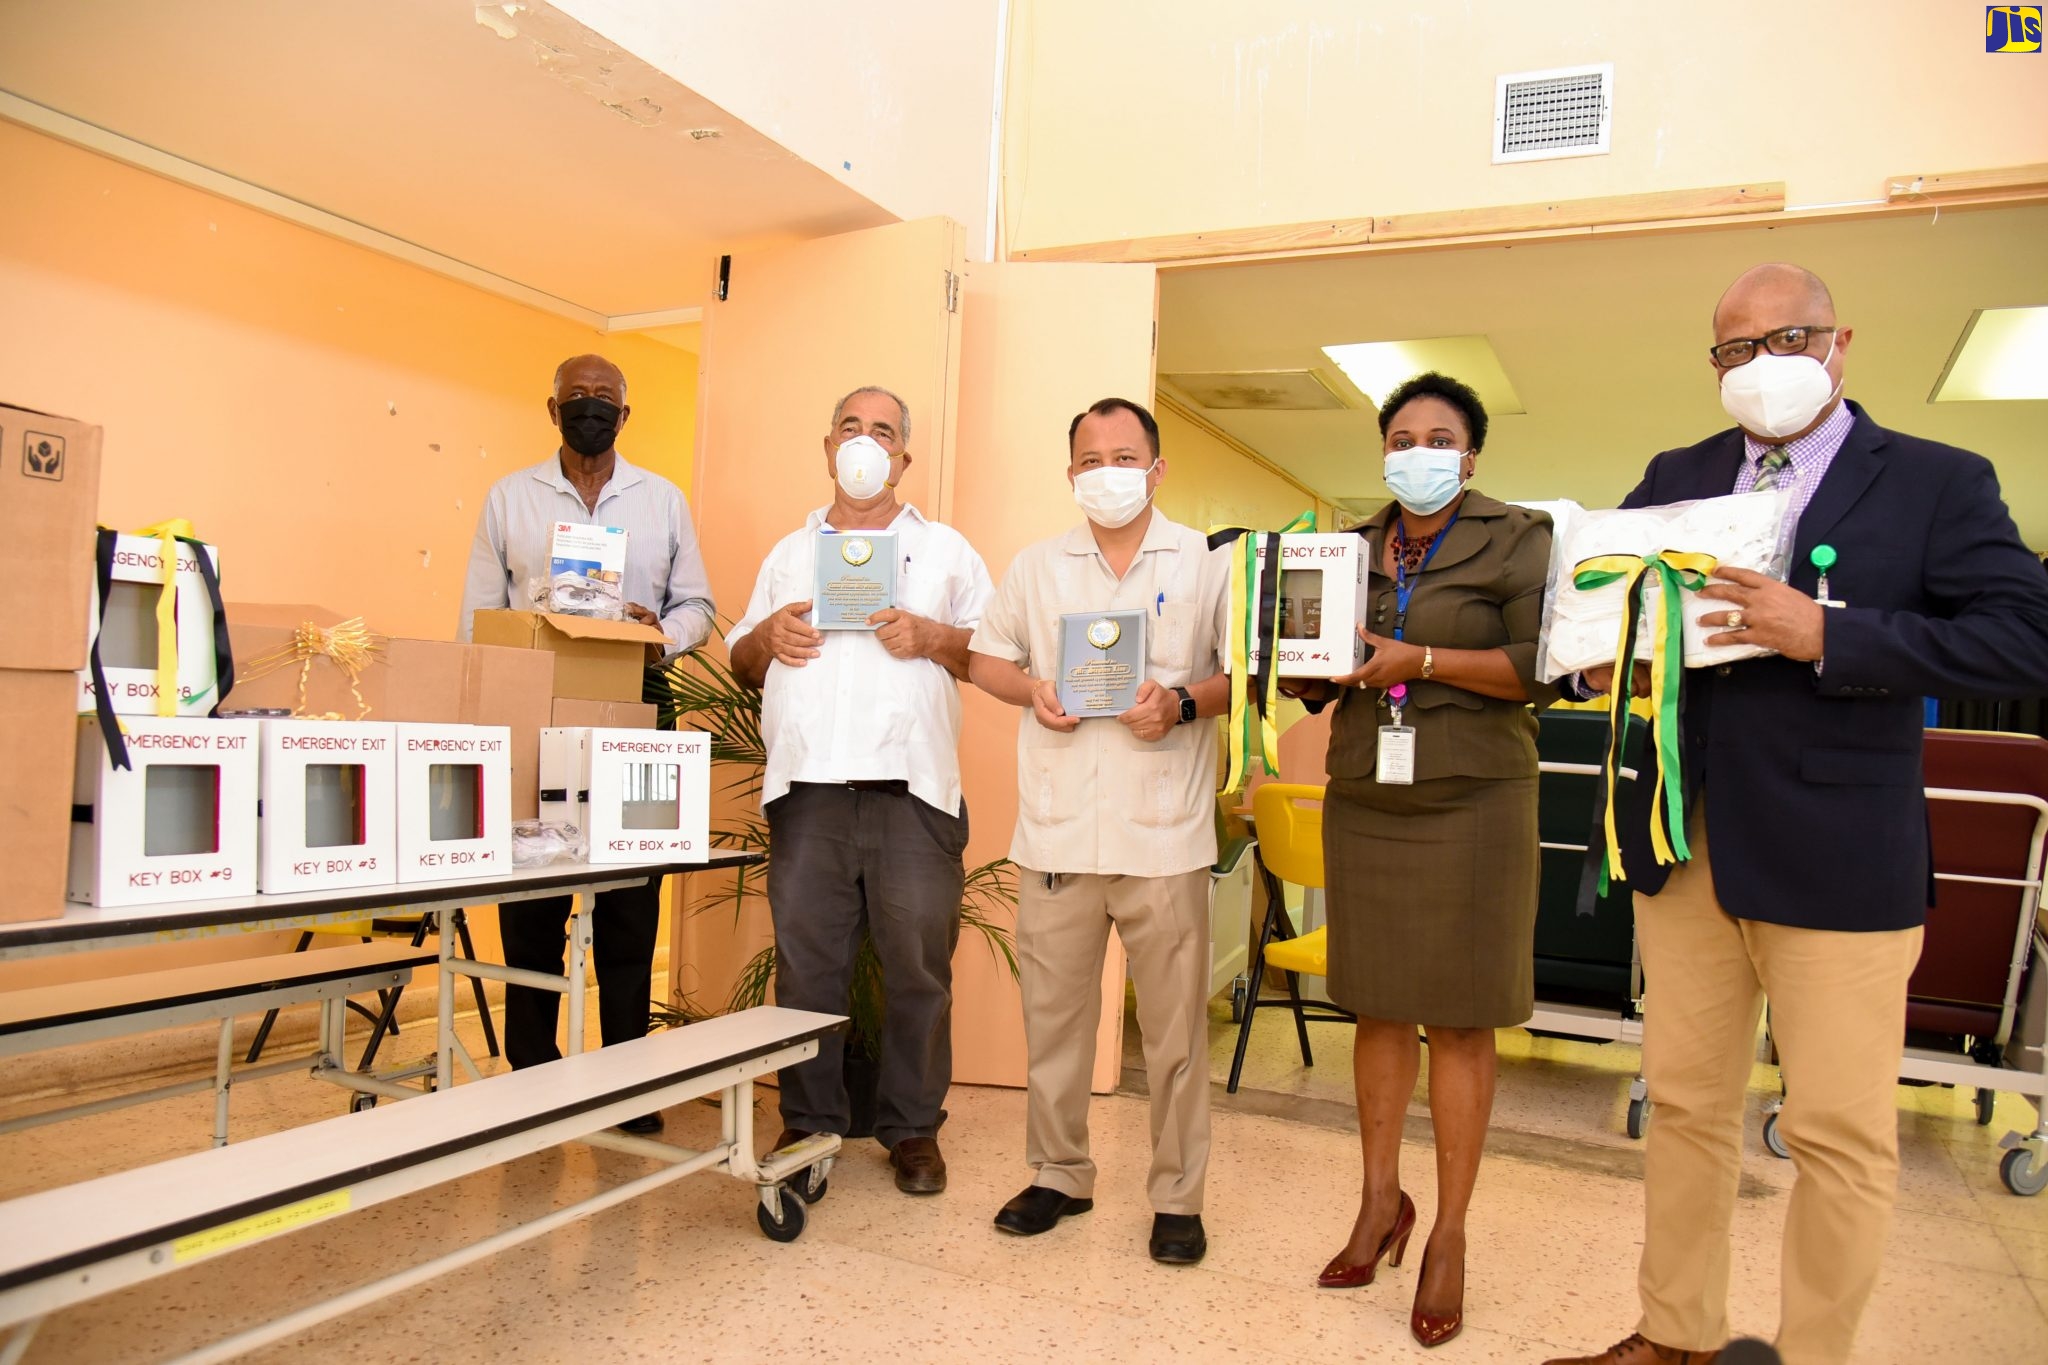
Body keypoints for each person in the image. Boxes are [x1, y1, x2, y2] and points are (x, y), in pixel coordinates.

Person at [1545, 265, 2048, 1365]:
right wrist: (1594, 661)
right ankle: (1674, 1334)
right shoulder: (1675, 478)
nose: (1758, 366)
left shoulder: (1933, 482)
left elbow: (2021, 641)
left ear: (1838, 343)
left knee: (1838, 1133)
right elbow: (1613, 613)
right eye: (1732, 350)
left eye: (1785, 339)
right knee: (1680, 1106)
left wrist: (1832, 634)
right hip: (1683, 845)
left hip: (1838, 858)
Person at [1279, 372, 1557, 1349]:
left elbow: (1537, 668)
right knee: (1378, 1003)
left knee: (1463, 1016)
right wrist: (1304, 667)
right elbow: (1313, 675)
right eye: (1402, 435)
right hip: (1368, 795)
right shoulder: (1345, 547)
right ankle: (1375, 1201)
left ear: (1469, 455)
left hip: (1477, 799)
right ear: (1383, 449)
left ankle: (1446, 1234)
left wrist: (1423, 663)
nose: (1418, 450)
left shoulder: (1519, 537)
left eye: (1438, 437)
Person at [967, 397, 1231, 1265]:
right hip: (1058, 830)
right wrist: (1031, 691)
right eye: (1091, 457)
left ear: (1157, 470)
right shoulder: (1039, 567)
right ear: (1071, 472)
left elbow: (1243, 668)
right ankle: (1058, 1172)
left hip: (1164, 833)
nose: (1107, 470)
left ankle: (1178, 1196)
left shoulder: (1203, 562)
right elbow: (985, 655)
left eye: (1126, 455)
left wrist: (1183, 701)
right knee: (1054, 1023)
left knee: (1175, 1034)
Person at [726, 385, 992, 1194]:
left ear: (904, 456)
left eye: (883, 431)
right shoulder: (787, 553)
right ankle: (809, 1125)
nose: (866, 442)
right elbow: (740, 656)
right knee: (808, 972)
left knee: (919, 968)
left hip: (913, 792)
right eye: (852, 427)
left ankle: (912, 1127)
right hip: (809, 791)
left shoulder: (947, 550)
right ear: (830, 446)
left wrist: (933, 634)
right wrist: (766, 638)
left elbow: (993, 652)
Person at [459, 353, 715, 1133]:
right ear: (553, 407)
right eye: (579, 397)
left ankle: (626, 1083)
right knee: (533, 894)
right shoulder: (511, 496)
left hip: (637, 705)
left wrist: (656, 635)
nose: (592, 408)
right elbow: (476, 617)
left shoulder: (662, 499)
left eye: (606, 399)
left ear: (626, 416)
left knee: (632, 902)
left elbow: (697, 603)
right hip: (535, 708)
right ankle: (531, 1081)